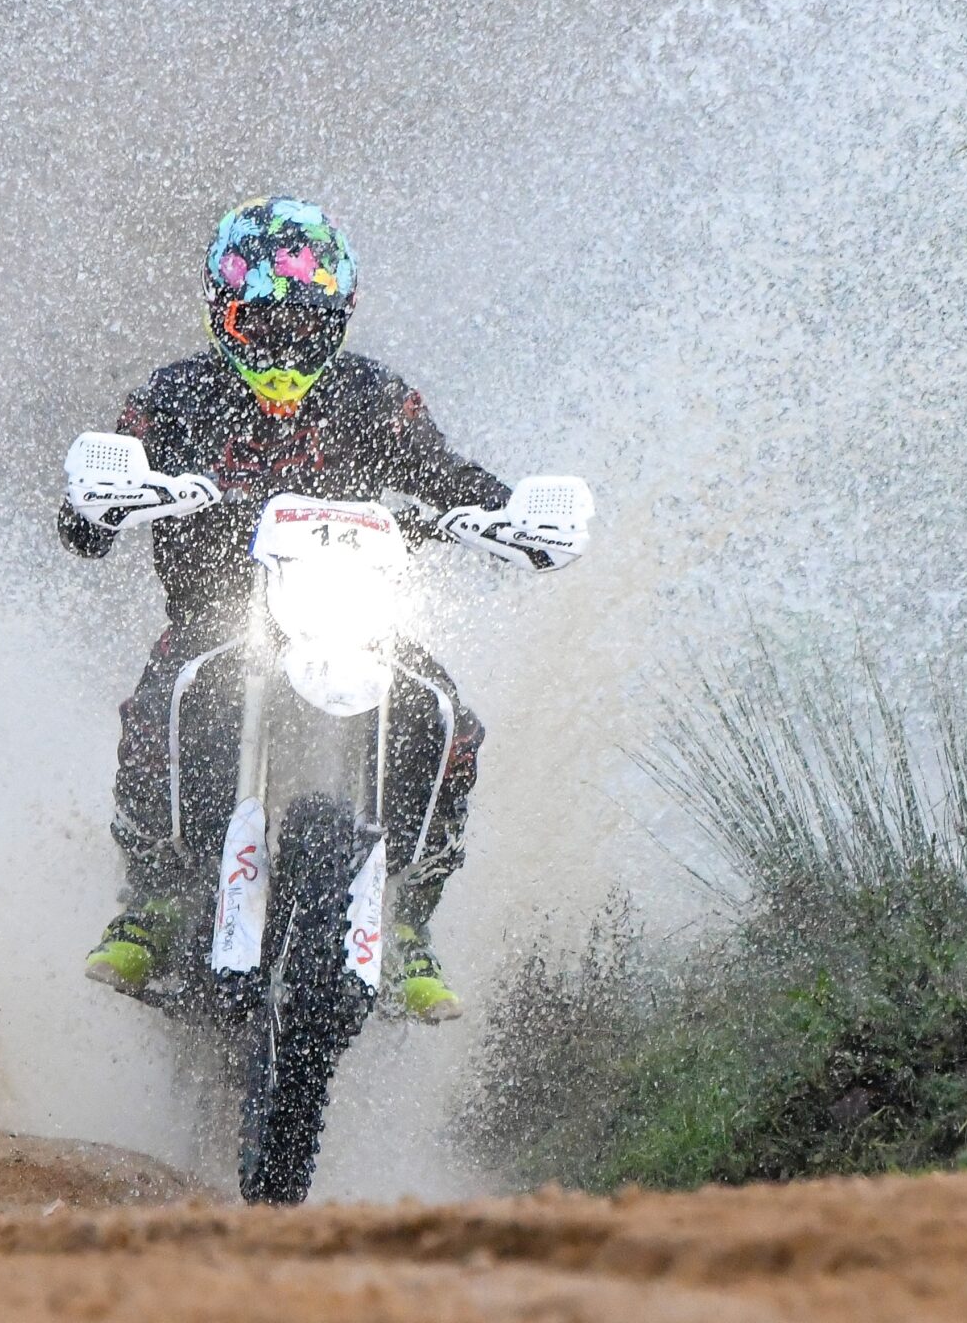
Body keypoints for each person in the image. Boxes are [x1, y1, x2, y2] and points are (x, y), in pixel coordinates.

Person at [57, 196, 577, 1023]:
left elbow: (443, 475)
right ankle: (154, 895)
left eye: (307, 326)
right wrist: (100, 501)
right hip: (216, 615)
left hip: (352, 609)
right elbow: (84, 527)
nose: (284, 343)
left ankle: (406, 917)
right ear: (220, 316)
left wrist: (514, 513)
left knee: (444, 713)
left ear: (338, 321)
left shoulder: (373, 395)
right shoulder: (176, 396)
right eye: (261, 322)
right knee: (163, 701)